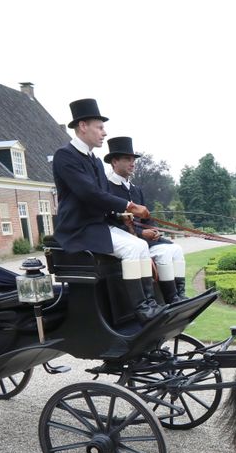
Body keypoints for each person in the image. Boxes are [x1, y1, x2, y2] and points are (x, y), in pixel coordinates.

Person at [51, 99, 164, 324]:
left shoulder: (94, 160)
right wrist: (130, 206)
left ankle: (150, 303)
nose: (104, 132)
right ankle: (141, 310)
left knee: (140, 245)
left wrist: (120, 215)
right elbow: (89, 194)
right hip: (78, 229)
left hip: (97, 226)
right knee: (134, 248)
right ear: (83, 126)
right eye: (100, 127)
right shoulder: (65, 156)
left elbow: (100, 201)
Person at [104, 136, 188, 304]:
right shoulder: (107, 188)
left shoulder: (136, 190)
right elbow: (113, 222)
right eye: (127, 159)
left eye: (133, 159)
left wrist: (154, 230)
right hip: (128, 241)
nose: (132, 163)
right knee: (164, 253)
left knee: (176, 250)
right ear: (114, 162)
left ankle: (180, 295)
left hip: (145, 240)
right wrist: (143, 233)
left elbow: (146, 217)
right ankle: (171, 299)